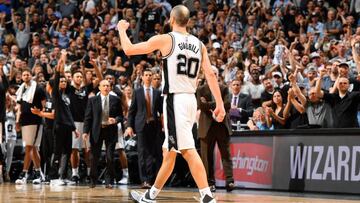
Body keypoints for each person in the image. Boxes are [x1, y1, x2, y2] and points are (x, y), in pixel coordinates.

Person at [118, 5, 225, 203]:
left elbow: (129, 49)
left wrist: (122, 30)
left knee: (187, 150)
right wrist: (220, 103)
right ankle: (150, 196)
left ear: (171, 19)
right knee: (169, 152)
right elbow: (210, 74)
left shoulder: (166, 39)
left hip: (175, 100)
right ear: (188, 21)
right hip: (190, 99)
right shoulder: (199, 44)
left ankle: (208, 197)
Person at [196, 66, 234, 193]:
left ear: (218, 75)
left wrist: (210, 105)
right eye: (211, 73)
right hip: (206, 127)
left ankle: (230, 181)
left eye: (215, 73)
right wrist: (219, 104)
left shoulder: (224, 88)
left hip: (222, 126)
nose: (213, 75)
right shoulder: (201, 89)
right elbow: (201, 106)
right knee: (206, 157)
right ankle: (209, 183)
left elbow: (227, 105)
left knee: (226, 155)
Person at [125, 68, 163, 189]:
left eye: (150, 75)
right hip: (141, 125)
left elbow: (161, 112)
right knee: (142, 153)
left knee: (152, 154)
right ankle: (144, 180)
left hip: (154, 126)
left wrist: (163, 125)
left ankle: (150, 180)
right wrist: (129, 126)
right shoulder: (137, 91)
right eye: (146, 75)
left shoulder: (157, 93)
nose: (148, 77)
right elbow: (131, 111)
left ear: (152, 77)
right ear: (142, 77)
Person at [83, 79, 123, 188]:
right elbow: (88, 117)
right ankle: (93, 180)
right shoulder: (93, 100)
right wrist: (85, 131)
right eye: (104, 85)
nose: (106, 87)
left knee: (110, 157)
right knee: (94, 157)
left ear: (110, 87)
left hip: (110, 131)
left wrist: (115, 120)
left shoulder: (116, 99)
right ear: (99, 87)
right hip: (97, 130)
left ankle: (109, 180)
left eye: (108, 85)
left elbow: (121, 116)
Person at [15, 68, 46, 185]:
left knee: (30, 147)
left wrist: (41, 113)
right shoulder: (21, 89)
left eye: (27, 74)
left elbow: (45, 105)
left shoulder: (38, 88)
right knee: (32, 148)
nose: (26, 76)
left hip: (36, 121)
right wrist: (17, 121)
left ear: (31, 76)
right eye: (24, 75)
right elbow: (19, 108)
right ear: (22, 77)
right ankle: (39, 173)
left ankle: (24, 174)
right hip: (25, 122)